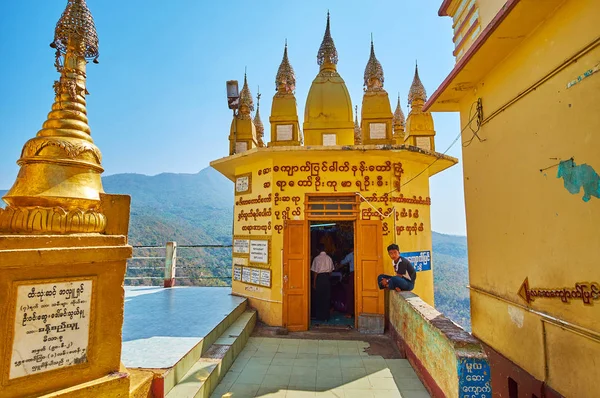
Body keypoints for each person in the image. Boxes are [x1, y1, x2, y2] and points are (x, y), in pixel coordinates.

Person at [311, 244, 334, 321]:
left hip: (319, 279)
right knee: (327, 297)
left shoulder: (316, 259)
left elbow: (315, 273)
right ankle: (326, 317)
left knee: (319, 297)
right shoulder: (329, 258)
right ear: (325, 249)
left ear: (318, 250)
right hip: (327, 278)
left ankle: (319, 316)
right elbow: (331, 271)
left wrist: (314, 283)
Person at [339, 248, 355, 317]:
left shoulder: (351, 255)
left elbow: (343, 263)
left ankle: (350, 312)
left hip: (353, 274)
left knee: (350, 293)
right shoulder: (362, 253)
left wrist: (336, 267)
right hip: (362, 273)